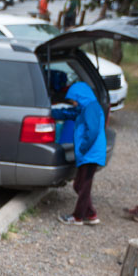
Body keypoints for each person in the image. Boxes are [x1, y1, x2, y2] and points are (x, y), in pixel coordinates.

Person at [50, 71, 106, 226]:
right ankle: (91, 214)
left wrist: (83, 147)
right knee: (79, 185)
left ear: (80, 96)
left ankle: (78, 217)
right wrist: (50, 112)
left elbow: (93, 130)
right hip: (87, 154)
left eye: (73, 100)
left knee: (83, 186)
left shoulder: (91, 108)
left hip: (90, 154)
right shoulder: (84, 108)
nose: (73, 103)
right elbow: (68, 113)